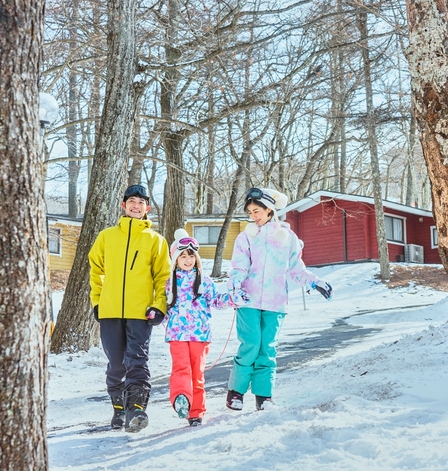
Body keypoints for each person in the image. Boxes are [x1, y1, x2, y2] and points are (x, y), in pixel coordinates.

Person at [226, 187, 333, 411]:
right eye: (251, 212)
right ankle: (236, 392)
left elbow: (296, 269)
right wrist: (235, 285)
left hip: (276, 302)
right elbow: (239, 265)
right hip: (249, 300)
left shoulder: (287, 238)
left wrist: (315, 282)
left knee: (268, 348)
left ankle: (264, 396)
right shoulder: (246, 237)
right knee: (251, 345)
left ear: (270, 209)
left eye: (257, 211)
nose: (254, 216)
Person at [88, 184, 170, 432]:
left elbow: (163, 277)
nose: (136, 205)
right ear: (123, 206)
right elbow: (96, 273)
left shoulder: (155, 240)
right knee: (116, 363)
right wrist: (98, 302)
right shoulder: (106, 237)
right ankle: (119, 409)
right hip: (111, 311)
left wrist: (159, 306)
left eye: (141, 202)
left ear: (148, 208)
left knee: (137, 360)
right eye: (132, 201)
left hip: (141, 312)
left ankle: (136, 409)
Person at [163, 229, 231, 427]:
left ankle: (196, 412)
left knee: (197, 374)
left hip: (199, 335)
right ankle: (181, 398)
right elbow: (163, 308)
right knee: (181, 368)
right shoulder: (169, 283)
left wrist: (232, 299)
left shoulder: (204, 281)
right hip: (177, 334)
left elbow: (217, 300)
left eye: (191, 256)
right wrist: (153, 314)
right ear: (175, 259)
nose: (187, 260)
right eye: (183, 256)